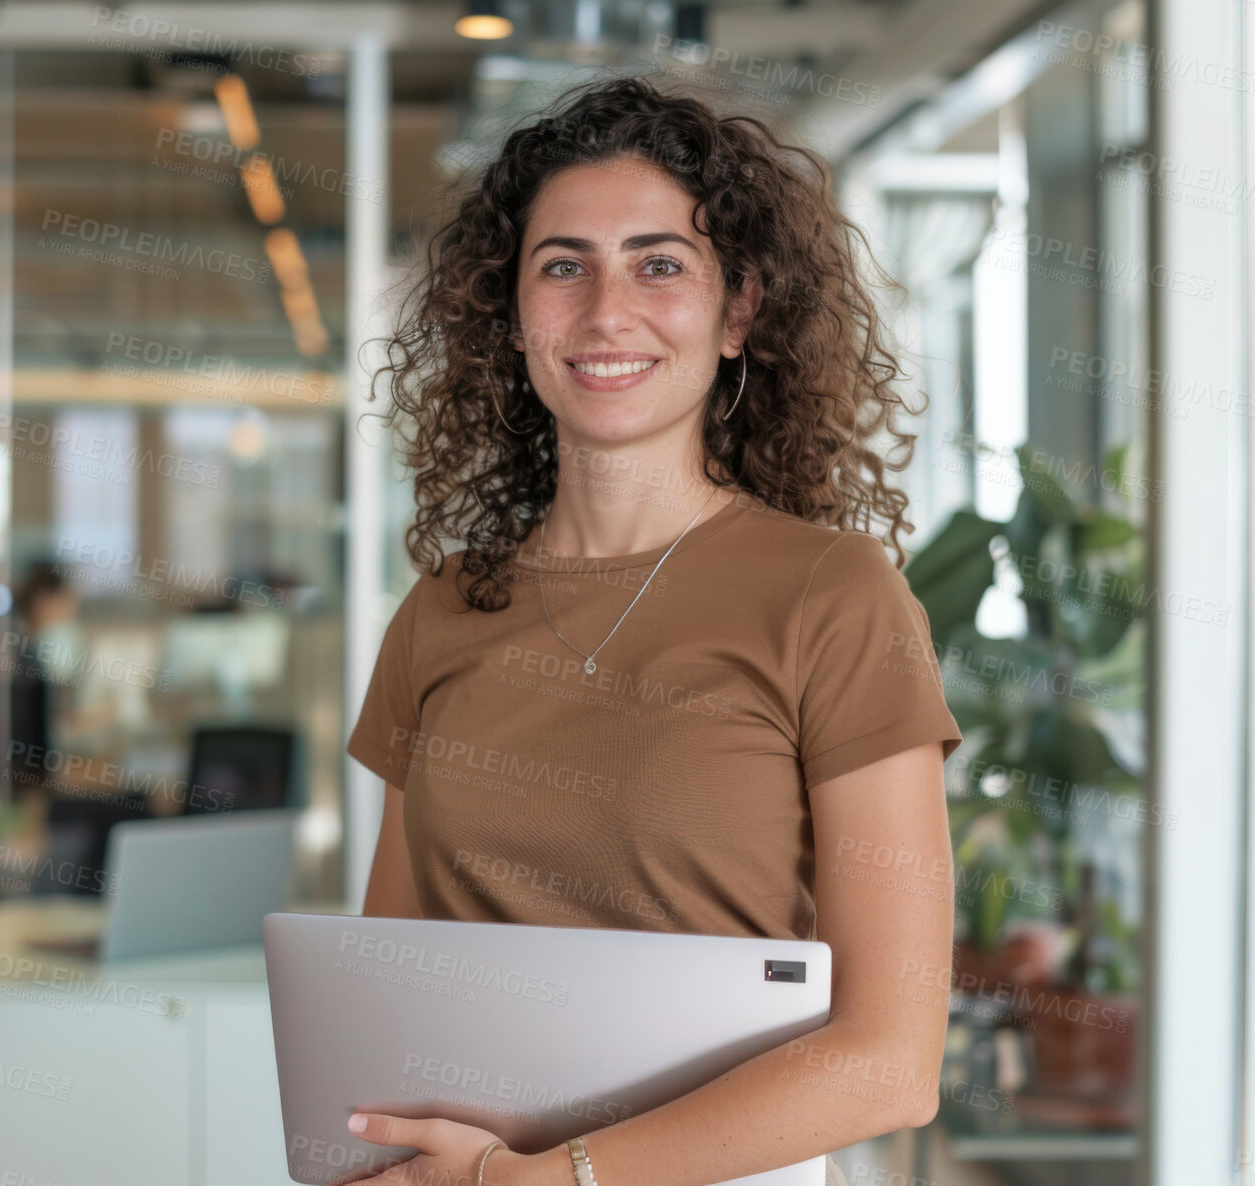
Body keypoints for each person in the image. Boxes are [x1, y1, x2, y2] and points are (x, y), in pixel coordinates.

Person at [347, 74, 963, 1186]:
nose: (604, 311)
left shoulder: (833, 594)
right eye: (563, 265)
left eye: (659, 263)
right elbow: (394, 991)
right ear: (512, 313)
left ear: (736, 315)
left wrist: (543, 1179)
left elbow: (891, 1060)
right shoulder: (442, 608)